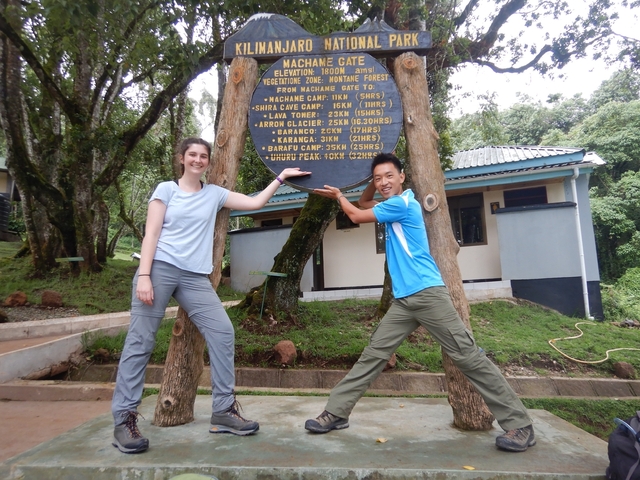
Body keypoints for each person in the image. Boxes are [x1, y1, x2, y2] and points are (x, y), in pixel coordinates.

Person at [307, 152, 535, 453]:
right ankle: (336, 413)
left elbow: (355, 214)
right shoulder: (391, 204)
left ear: (402, 177)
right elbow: (364, 204)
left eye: (389, 176)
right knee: (373, 355)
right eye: (379, 177)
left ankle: (520, 424)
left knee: (467, 356)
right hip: (404, 301)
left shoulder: (403, 204)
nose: (384, 182)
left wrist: (338, 195)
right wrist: (371, 183)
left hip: (428, 294)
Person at [111, 137, 310, 454]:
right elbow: (151, 233)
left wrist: (281, 177)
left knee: (222, 332)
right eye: (192, 154)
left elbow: (255, 203)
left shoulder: (215, 194)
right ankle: (124, 420)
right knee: (141, 341)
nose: (198, 160)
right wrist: (145, 275)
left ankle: (223, 411)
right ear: (181, 158)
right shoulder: (166, 190)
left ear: (207, 162)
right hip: (160, 268)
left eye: (203, 156)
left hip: (193, 276)